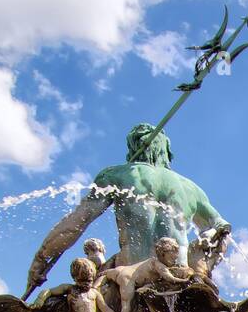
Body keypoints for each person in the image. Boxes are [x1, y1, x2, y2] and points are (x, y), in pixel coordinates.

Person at [23, 125, 230, 299]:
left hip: (130, 278)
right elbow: (222, 229)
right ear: (165, 152)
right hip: (179, 279)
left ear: (132, 148)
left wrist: (41, 258)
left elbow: (76, 223)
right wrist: (205, 259)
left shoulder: (117, 175)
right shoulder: (190, 188)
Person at [97, 236, 191, 312]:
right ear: (163, 253)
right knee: (126, 302)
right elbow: (170, 278)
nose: (175, 260)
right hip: (128, 278)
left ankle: (101, 276)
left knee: (107, 274)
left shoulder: (152, 260)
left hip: (122, 269)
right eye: (172, 258)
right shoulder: (158, 265)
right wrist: (184, 281)